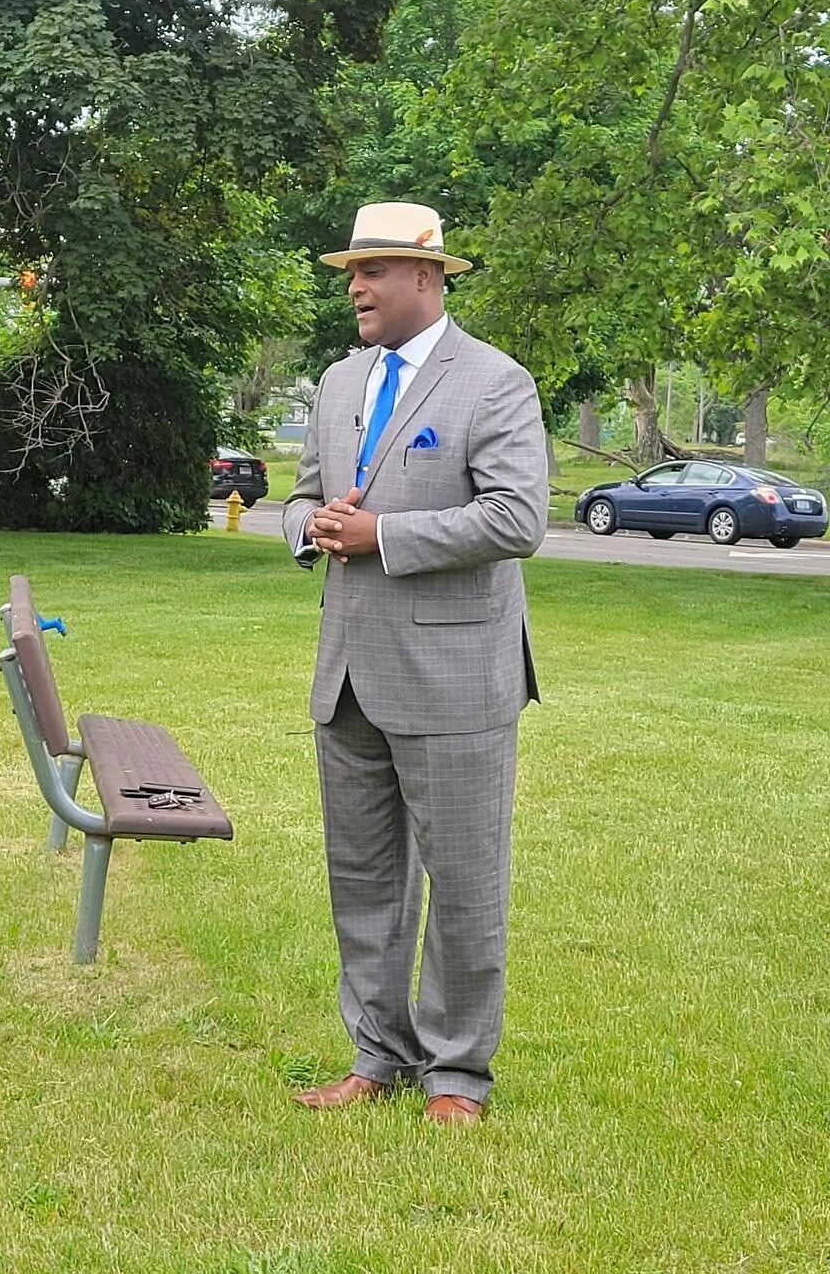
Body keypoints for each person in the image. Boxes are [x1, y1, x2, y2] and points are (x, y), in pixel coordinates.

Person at [281, 202, 547, 1127]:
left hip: (456, 681)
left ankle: (457, 1077)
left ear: (429, 279)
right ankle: (377, 1055)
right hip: (348, 675)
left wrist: (382, 533)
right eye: (352, 271)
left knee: (465, 882)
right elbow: (308, 498)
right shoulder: (340, 382)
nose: (354, 286)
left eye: (373, 270)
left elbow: (518, 519)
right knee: (363, 879)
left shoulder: (495, 384)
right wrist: (309, 529)